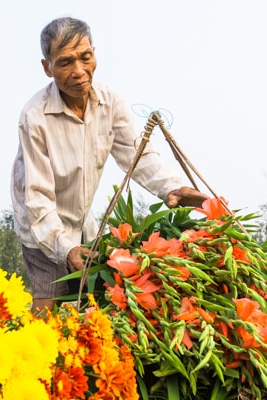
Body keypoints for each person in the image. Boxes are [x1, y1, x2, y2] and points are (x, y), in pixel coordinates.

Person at [10, 17, 208, 314]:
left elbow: (137, 154)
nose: (79, 71)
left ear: (94, 54)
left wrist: (170, 188)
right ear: (47, 67)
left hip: (82, 224)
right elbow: (37, 199)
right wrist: (65, 249)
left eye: (85, 57)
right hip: (42, 231)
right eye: (65, 63)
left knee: (92, 308)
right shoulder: (35, 117)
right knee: (48, 310)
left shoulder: (109, 101)